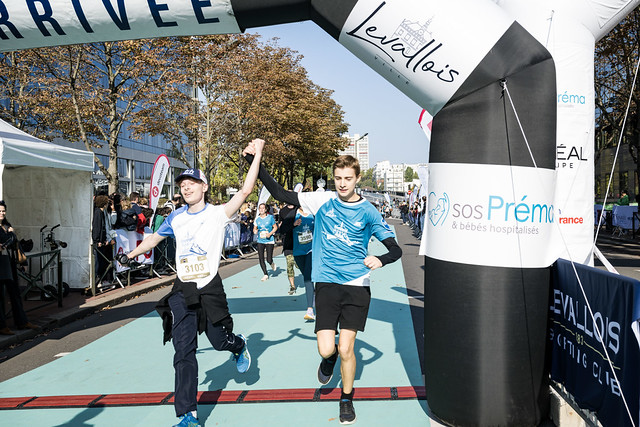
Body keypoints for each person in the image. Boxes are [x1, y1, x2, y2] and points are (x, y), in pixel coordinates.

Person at [243, 148, 402, 425]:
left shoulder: (368, 211)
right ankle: (329, 359)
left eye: (348, 178)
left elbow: (395, 249)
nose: (342, 183)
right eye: (338, 178)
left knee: (347, 349)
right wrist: (252, 160)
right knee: (327, 349)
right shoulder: (323, 200)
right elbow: (279, 193)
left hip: (356, 285)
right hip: (327, 283)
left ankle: (346, 398)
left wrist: (380, 259)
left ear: (357, 178)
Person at [118, 138, 264, 427]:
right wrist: (130, 255)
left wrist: (257, 153)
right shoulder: (175, 217)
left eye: (192, 183)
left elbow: (246, 190)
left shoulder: (218, 214)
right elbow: (154, 238)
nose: (186, 188)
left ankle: (238, 345)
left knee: (219, 341)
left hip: (209, 288)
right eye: (183, 184)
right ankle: (189, 415)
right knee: (183, 351)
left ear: (204, 187)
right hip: (183, 289)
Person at [0, 200, 37, 335]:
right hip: (1, 263)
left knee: (15, 293)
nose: (2, 213)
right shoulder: (6, 229)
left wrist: (23, 262)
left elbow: (16, 244)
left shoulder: (7, 225)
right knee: (1, 296)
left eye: (3, 211)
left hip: (9, 262)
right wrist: (11, 234)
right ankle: (2, 326)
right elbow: (5, 240)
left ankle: (22, 321)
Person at [293, 203, 315, 321]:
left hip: (311, 250)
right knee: (307, 277)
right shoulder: (294, 215)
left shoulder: (313, 214)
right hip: (298, 251)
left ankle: (310, 309)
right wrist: (293, 225)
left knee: (307, 277)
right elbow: (283, 229)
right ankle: (313, 293)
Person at [277, 202, 298, 295]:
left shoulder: (299, 209)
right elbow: (281, 226)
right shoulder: (283, 211)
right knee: (290, 264)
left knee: (299, 265)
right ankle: (292, 285)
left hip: (299, 243)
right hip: (288, 242)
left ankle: (309, 283)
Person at [253, 203, 277, 281]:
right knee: (261, 258)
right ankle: (265, 274)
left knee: (268, 259)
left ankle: (271, 263)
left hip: (269, 240)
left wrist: (270, 234)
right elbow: (255, 229)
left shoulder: (270, 218)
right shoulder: (257, 219)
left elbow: (275, 227)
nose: (261, 210)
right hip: (260, 240)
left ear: (266, 209)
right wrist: (255, 231)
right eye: (260, 208)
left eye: (263, 208)